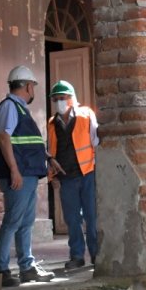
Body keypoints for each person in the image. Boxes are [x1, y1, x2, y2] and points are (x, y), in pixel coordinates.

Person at [0, 65, 55, 287]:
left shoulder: (19, 108)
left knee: (26, 222)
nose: (33, 90)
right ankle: (1, 269)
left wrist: (47, 157)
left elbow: (25, 142)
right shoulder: (10, 107)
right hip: (19, 175)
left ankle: (26, 267)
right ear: (28, 86)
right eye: (33, 87)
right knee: (12, 221)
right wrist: (14, 170)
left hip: (28, 174)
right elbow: (5, 137)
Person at [46, 80, 100, 270]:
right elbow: (51, 151)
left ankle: (96, 253)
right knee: (72, 219)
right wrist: (52, 177)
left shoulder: (86, 115)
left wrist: (97, 169)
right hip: (66, 177)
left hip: (87, 174)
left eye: (63, 98)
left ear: (72, 98)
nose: (59, 102)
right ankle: (77, 255)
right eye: (56, 99)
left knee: (92, 216)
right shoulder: (52, 123)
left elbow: (96, 141)